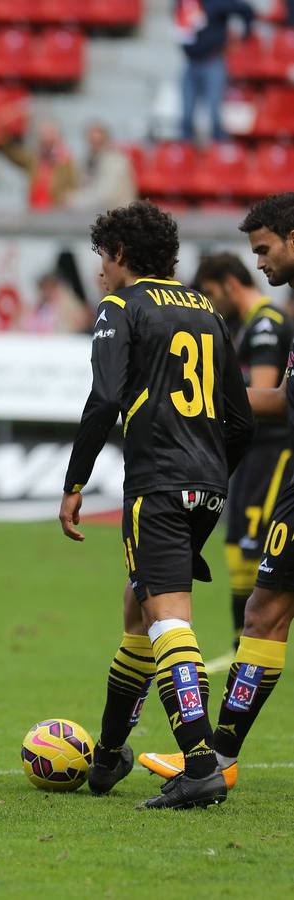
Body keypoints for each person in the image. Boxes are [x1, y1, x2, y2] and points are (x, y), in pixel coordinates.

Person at [58, 200, 254, 810]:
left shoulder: (120, 307)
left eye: (101, 258)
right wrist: (212, 473)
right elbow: (241, 418)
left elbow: (105, 396)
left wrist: (75, 480)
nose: (98, 272)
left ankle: (199, 763)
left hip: (159, 485)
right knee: (138, 610)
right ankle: (112, 751)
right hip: (207, 484)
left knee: (168, 617)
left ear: (119, 256)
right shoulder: (207, 312)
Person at [139, 194, 294, 793]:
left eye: (264, 249)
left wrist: (194, 396)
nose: (259, 263)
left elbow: (279, 403)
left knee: (266, 610)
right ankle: (220, 756)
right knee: (265, 610)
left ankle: (218, 757)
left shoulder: (271, 320)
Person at [193, 253, 294, 669]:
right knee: (237, 547)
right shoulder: (249, 324)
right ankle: (242, 646)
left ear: (229, 285)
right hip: (251, 451)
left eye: (212, 294)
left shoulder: (267, 322)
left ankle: (252, 647)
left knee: (253, 549)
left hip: (272, 451)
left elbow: (268, 392)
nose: (213, 305)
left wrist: (202, 398)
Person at [175, 0, 254, 142]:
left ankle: (218, 156)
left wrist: (245, 35)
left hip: (212, 62)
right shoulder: (183, 2)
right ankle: (187, 157)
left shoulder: (216, 2)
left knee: (214, 116)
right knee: (186, 117)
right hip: (190, 63)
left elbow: (246, 10)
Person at [0, 118, 78, 211]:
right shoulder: (36, 157)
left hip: (56, 208)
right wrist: (4, 140)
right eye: (42, 133)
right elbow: (16, 156)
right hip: (35, 206)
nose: (45, 136)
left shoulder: (65, 159)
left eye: (48, 133)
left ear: (57, 135)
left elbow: (73, 184)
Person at [65, 123, 136, 212]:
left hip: (120, 216)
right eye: (91, 141)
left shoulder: (117, 162)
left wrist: (74, 200)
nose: (94, 146)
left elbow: (106, 196)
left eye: (98, 142)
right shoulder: (88, 161)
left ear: (107, 141)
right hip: (96, 214)